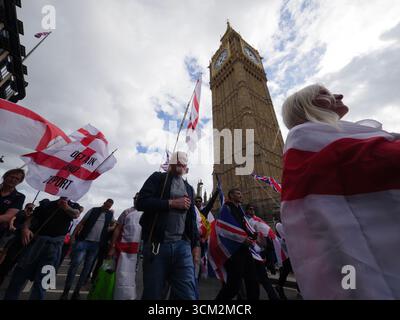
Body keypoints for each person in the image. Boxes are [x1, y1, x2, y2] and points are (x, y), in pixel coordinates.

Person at [281, 84, 400, 299]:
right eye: (324, 93)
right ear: (305, 106)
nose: (339, 94)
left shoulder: (332, 136)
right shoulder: (308, 139)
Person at [137, 151, 200, 300]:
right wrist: (171, 203)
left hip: (182, 246)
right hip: (157, 245)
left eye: (183, 164)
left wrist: (196, 244)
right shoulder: (158, 178)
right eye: (177, 163)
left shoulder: (189, 188)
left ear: (186, 166)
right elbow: (141, 202)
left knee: (187, 295)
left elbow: (191, 218)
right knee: (154, 293)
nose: (180, 166)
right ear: (171, 164)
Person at [4, 197, 81, 300]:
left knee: (43, 283)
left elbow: (76, 214)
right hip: (35, 243)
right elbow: (30, 219)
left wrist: (66, 207)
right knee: (18, 277)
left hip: (54, 247)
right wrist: (25, 228)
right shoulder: (46, 203)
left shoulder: (73, 206)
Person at [60, 199, 114, 300]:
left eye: (109, 207)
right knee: (75, 264)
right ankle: (65, 292)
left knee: (87, 269)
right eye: (107, 205)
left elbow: (113, 225)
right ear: (104, 203)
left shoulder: (110, 215)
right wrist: (73, 236)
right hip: (83, 241)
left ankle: (76, 292)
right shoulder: (93, 210)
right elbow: (81, 223)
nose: (107, 208)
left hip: (96, 245)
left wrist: (110, 228)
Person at [215, 189, 259, 300]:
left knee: (252, 280)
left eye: (241, 193)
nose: (241, 195)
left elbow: (243, 225)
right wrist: (242, 239)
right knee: (233, 285)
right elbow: (224, 228)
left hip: (244, 249)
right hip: (234, 251)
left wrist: (253, 235)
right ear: (231, 195)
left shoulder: (240, 210)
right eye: (238, 193)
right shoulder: (226, 208)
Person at [108, 193, 142, 300]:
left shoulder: (148, 212)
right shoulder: (127, 212)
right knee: (121, 278)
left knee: (136, 279)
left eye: (138, 198)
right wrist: (113, 247)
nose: (135, 200)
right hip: (123, 250)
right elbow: (117, 229)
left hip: (139, 251)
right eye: (134, 198)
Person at [245, 205, 279, 300]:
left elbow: (263, 237)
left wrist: (263, 252)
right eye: (250, 209)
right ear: (246, 211)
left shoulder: (257, 220)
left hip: (258, 254)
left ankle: (273, 297)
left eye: (253, 208)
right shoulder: (246, 221)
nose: (252, 210)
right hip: (250, 254)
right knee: (252, 281)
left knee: (263, 278)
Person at [0, 203, 34, 286]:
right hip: (13, 232)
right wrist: (11, 226)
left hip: (18, 235)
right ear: (26, 207)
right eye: (29, 208)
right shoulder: (21, 212)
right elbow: (13, 218)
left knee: (9, 253)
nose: (30, 210)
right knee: (4, 249)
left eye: (32, 209)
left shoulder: (29, 217)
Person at [0, 169, 26, 241]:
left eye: (17, 179)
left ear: (19, 182)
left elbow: (8, 216)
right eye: (11, 177)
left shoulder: (19, 197)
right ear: (5, 176)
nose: (13, 180)